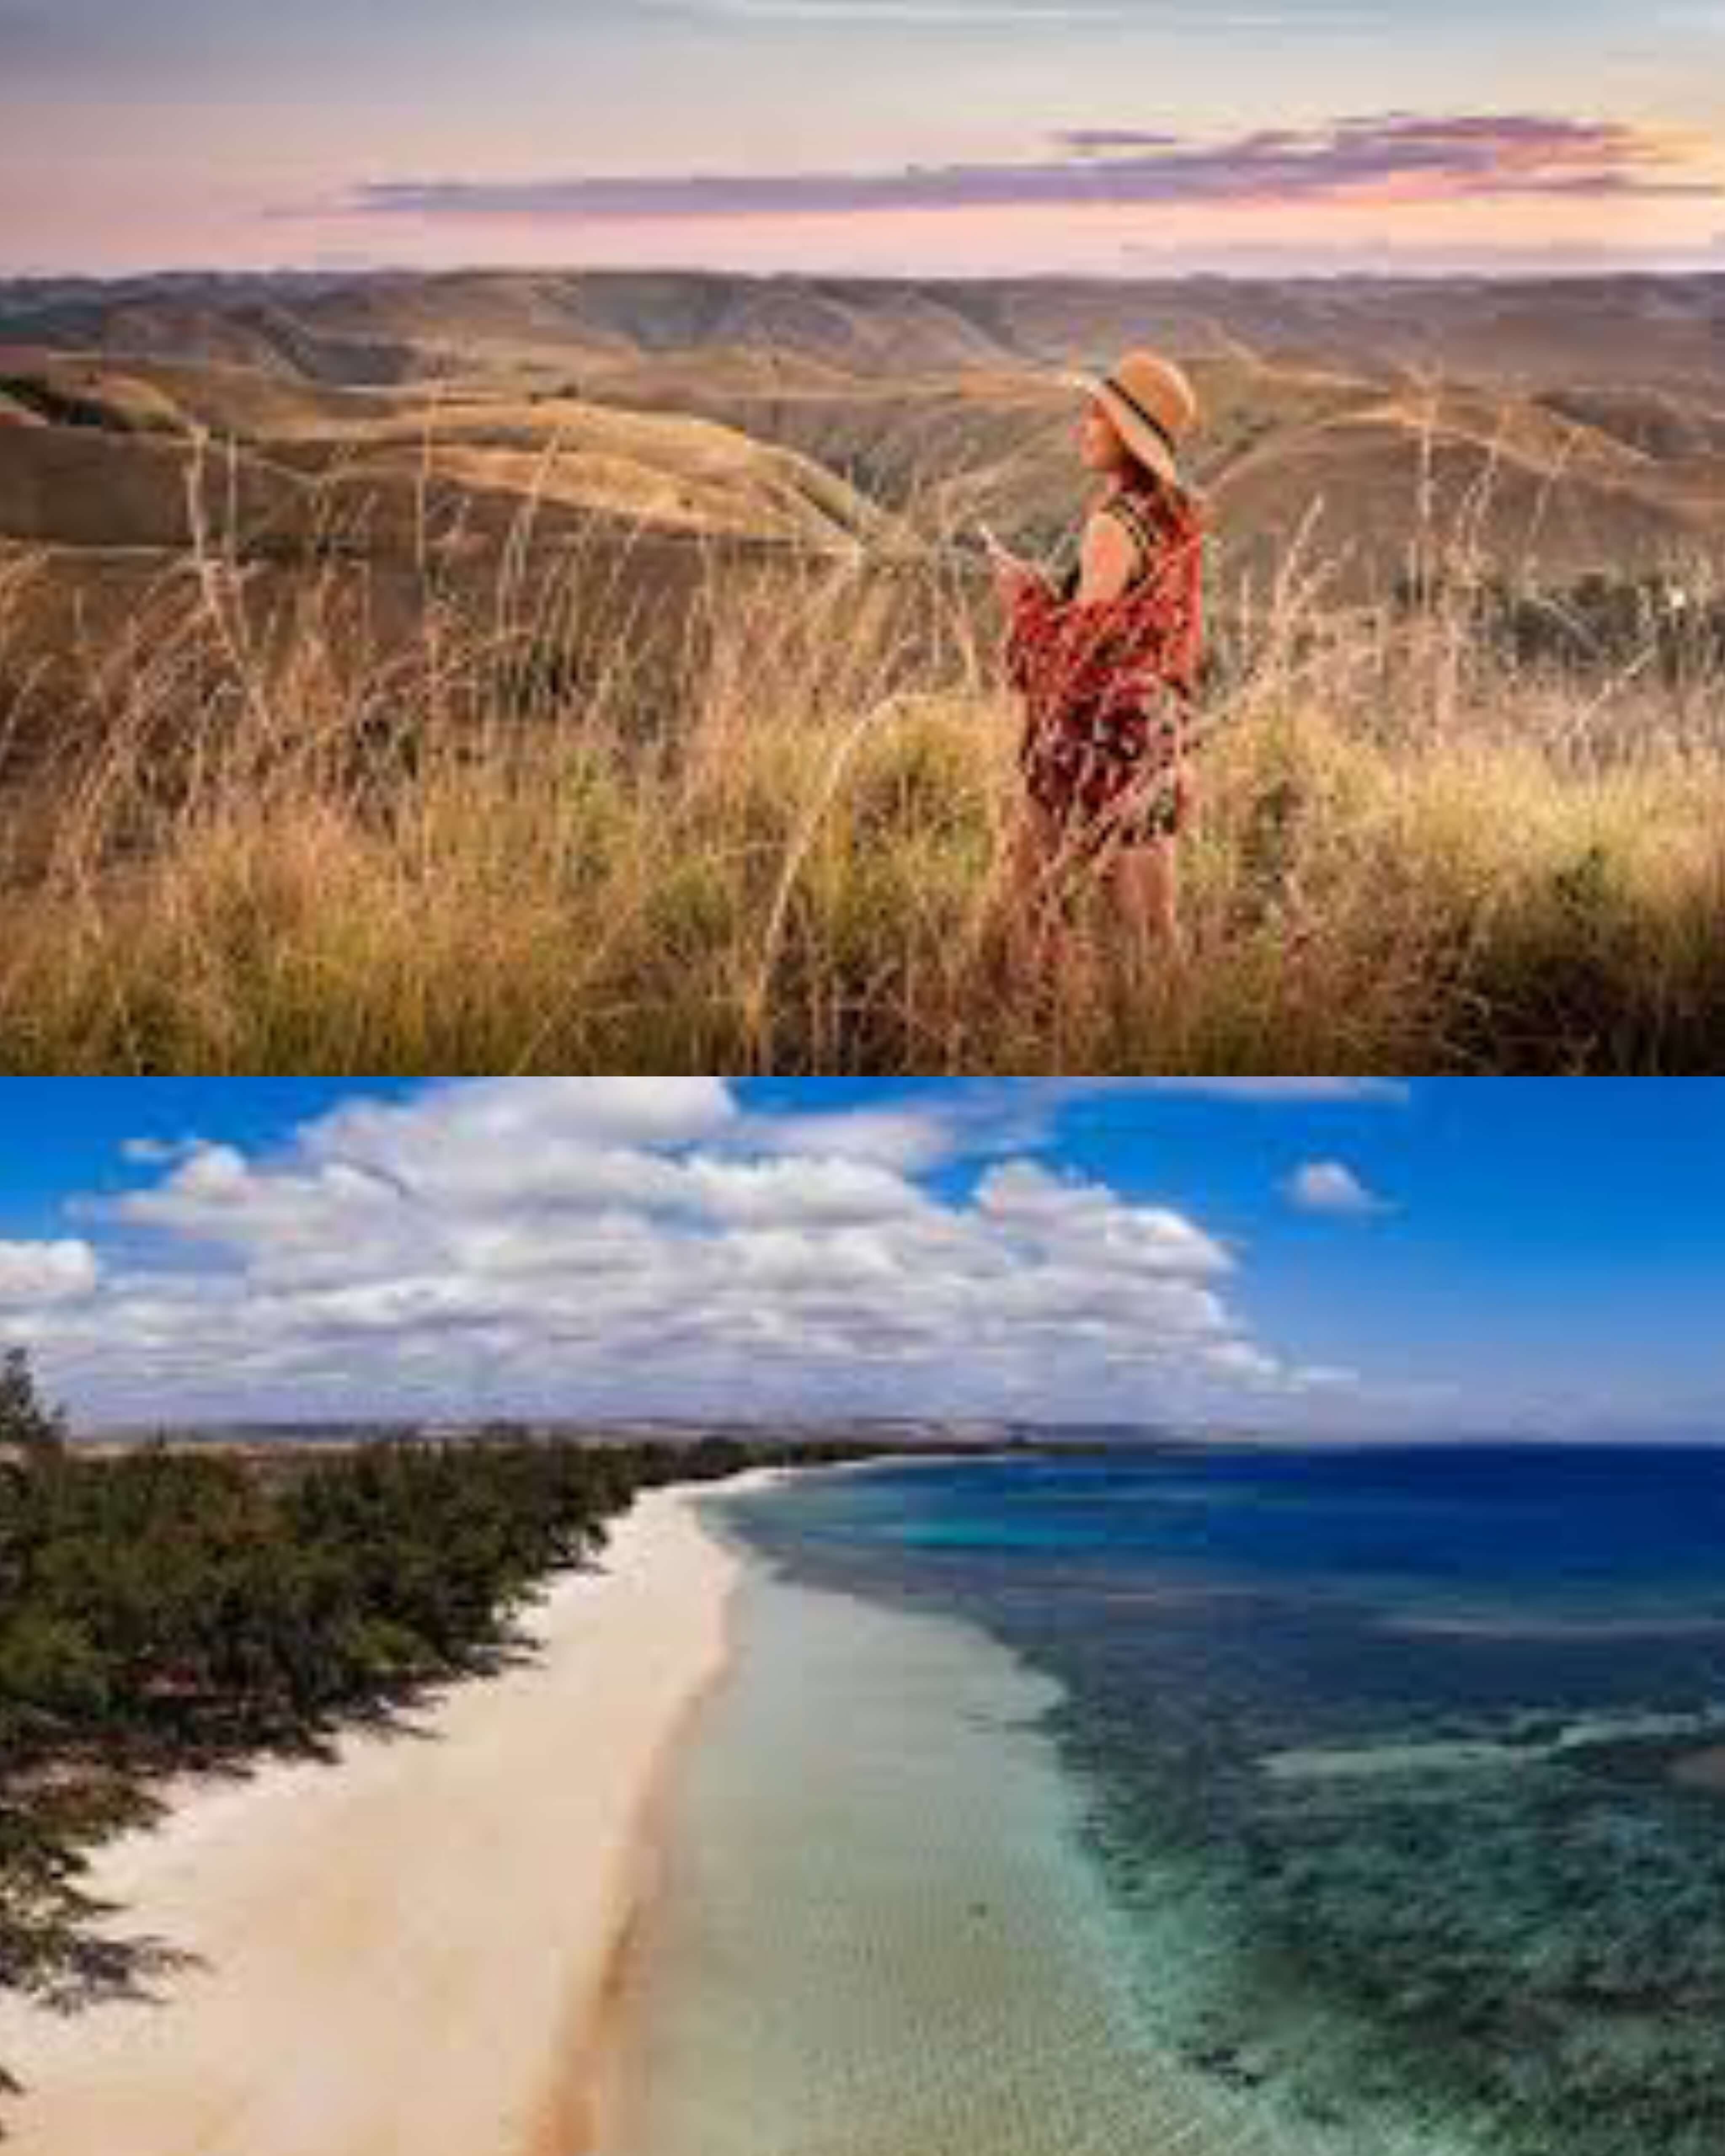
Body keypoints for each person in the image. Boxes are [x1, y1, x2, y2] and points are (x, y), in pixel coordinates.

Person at [990, 347, 1207, 982]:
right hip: (1155, 735)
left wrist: (1023, 600)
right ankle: (1175, 1051)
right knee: (1155, 933)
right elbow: (1129, 631)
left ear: (1130, 437)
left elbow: (1076, 661)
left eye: (1098, 417)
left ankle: (1041, 1040)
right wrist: (1055, 596)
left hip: (1093, 746)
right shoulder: (1173, 516)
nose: (1083, 427)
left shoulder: (1112, 526)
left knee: (1036, 905)